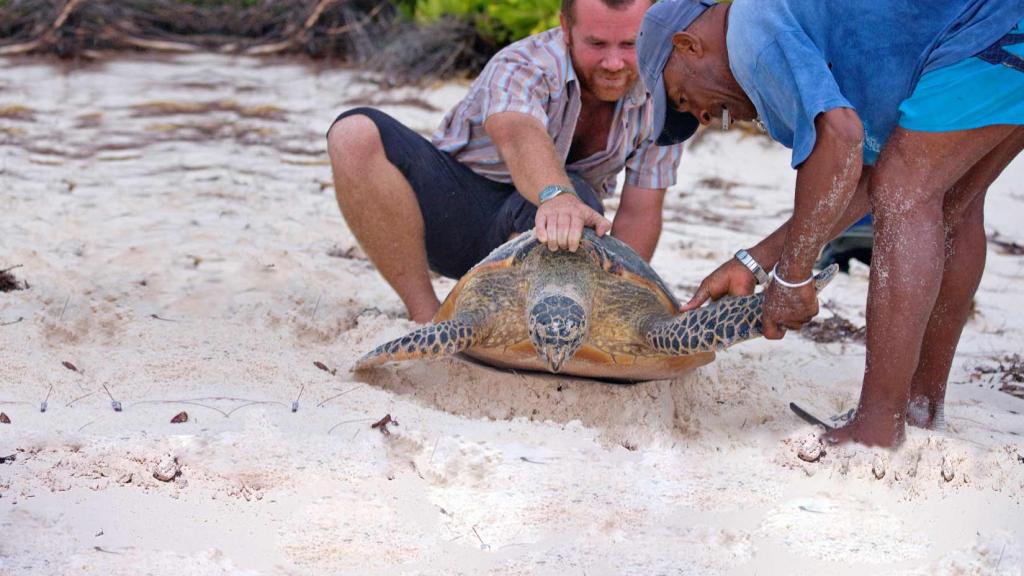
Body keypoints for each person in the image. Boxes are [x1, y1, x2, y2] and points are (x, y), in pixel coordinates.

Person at [636, 0, 1024, 447]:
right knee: (952, 201)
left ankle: (877, 427)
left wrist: (793, 275)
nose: (703, 118)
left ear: (688, 45)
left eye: (684, 99)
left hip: (992, 26)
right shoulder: (791, 21)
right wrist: (755, 262)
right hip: (999, 28)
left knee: (907, 193)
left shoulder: (751, 29)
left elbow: (839, 139)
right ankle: (920, 406)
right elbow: (860, 178)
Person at [327, 0, 691, 324]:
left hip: (554, 239)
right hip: (455, 214)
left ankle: (515, 323)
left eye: (629, 44)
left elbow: (640, 212)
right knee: (353, 133)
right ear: (566, 29)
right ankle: (427, 316)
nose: (613, 63)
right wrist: (555, 195)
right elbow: (517, 133)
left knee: (578, 197)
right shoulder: (525, 62)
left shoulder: (663, 96)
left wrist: (619, 307)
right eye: (596, 44)